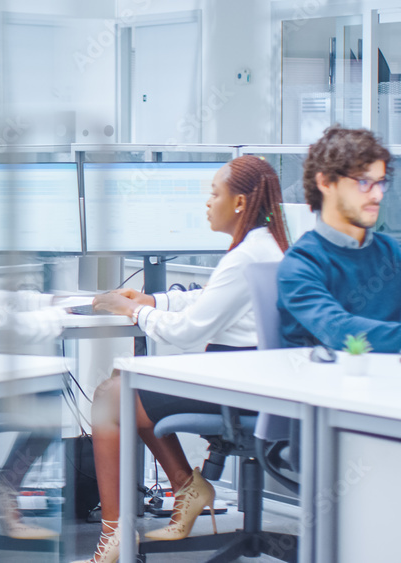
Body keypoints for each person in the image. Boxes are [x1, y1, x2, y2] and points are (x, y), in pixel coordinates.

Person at [72, 156, 291, 563]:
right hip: (252, 381)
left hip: (237, 389)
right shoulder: (265, 245)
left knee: (109, 398)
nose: (207, 202)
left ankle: (115, 536)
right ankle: (187, 487)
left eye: (214, 193)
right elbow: (210, 299)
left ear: (240, 202)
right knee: (129, 386)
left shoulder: (245, 257)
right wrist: (154, 300)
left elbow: (189, 331)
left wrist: (132, 311)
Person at [278, 126, 401, 352]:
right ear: (325, 183)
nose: (377, 195)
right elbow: (340, 331)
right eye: (364, 182)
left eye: (380, 182)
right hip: (323, 382)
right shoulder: (300, 265)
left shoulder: (392, 252)